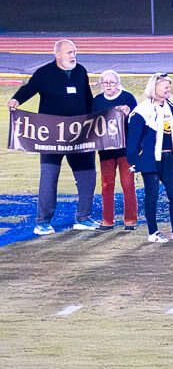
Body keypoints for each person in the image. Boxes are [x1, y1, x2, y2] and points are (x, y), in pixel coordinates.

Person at [9, 39, 97, 234]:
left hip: (79, 135)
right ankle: (43, 221)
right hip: (51, 136)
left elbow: (89, 99)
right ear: (58, 54)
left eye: (75, 52)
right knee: (49, 178)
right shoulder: (44, 73)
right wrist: (16, 99)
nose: (73, 55)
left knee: (88, 177)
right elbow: (29, 89)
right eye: (69, 52)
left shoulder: (81, 71)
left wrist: (99, 119)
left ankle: (83, 217)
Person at [129, 73, 173, 242]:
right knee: (152, 195)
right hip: (150, 160)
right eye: (165, 86)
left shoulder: (171, 106)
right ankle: (153, 233)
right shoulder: (142, 110)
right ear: (154, 88)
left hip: (169, 158)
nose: (168, 89)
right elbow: (133, 139)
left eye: (169, 86)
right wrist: (134, 161)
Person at [90, 70, 139, 230]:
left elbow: (138, 120)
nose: (109, 85)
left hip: (125, 149)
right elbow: (92, 124)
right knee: (106, 184)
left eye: (112, 82)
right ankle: (107, 219)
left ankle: (130, 219)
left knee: (128, 184)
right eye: (106, 82)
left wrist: (129, 113)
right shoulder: (97, 101)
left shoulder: (128, 98)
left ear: (118, 83)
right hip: (106, 150)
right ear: (101, 84)